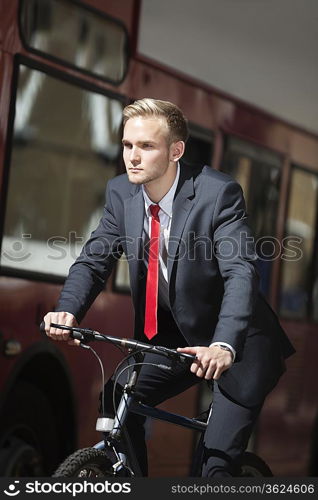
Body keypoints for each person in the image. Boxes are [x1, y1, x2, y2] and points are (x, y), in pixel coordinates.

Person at [44, 98, 295, 477]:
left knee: (213, 467)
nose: (133, 156)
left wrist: (224, 345)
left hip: (236, 345)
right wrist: (68, 310)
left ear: (176, 150)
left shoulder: (217, 194)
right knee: (117, 398)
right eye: (128, 145)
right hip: (172, 342)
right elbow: (95, 260)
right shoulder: (120, 193)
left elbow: (240, 274)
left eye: (146, 146)